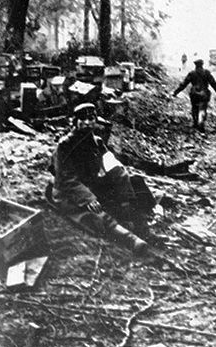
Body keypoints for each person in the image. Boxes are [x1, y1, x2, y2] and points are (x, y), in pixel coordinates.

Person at [49, 103, 155, 253]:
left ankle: (141, 225)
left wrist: (125, 198)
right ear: (75, 122)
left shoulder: (97, 142)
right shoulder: (64, 145)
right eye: (82, 119)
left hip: (90, 185)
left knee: (135, 182)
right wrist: (88, 198)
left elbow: (113, 167)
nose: (87, 123)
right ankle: (129, 238)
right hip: (70, 192)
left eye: (91, 119)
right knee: (94, 213)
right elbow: (66, 178)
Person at [172, 57, 216, 132]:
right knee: (202, 108)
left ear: (195, 65)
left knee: (194, 108)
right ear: (202, 65)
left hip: (194, 93)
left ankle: (195, 123)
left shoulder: (192, 73)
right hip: (204, 93)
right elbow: (213, 83)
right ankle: (201, 123)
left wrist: (176, 92)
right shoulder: (207, 73)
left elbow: (184, 84)